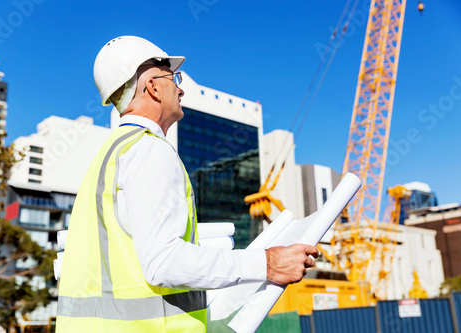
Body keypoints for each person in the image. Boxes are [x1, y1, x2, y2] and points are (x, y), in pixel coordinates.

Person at [56, 36, 319, 332]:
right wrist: (268, 264)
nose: (180, 89)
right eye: (174, 78)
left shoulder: (111, 154)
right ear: (153, 87)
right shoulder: (149, 149)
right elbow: (164, 262)